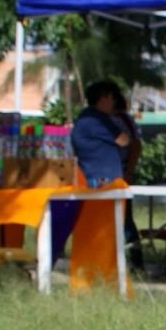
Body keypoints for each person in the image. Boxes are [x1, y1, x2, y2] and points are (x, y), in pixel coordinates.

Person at [71, 80, 142, 263]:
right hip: (103, 182)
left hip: (108, 180)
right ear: (103, 99)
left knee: (119, 224)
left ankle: (122, 261)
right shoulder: (96, 119)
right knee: (114, 226)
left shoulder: (88, 118)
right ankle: (116, 263)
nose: (114, 103)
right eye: (112, 98)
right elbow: (124, 140)